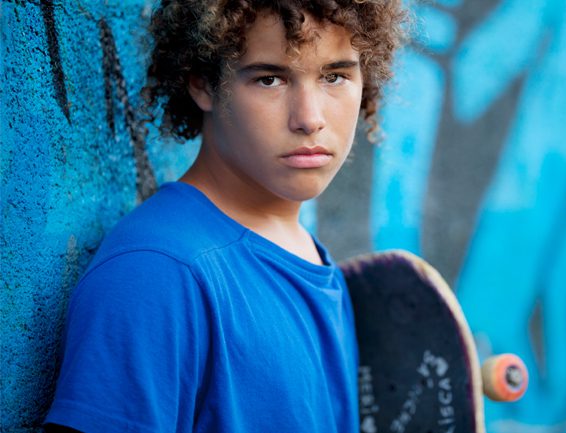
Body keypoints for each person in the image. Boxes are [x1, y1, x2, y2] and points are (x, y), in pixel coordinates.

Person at [44, 1, 406, 431]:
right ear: (202, 83)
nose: (310, 119)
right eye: (270, 78)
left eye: (334, 76)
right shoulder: (157, 273)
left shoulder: (307, 254)